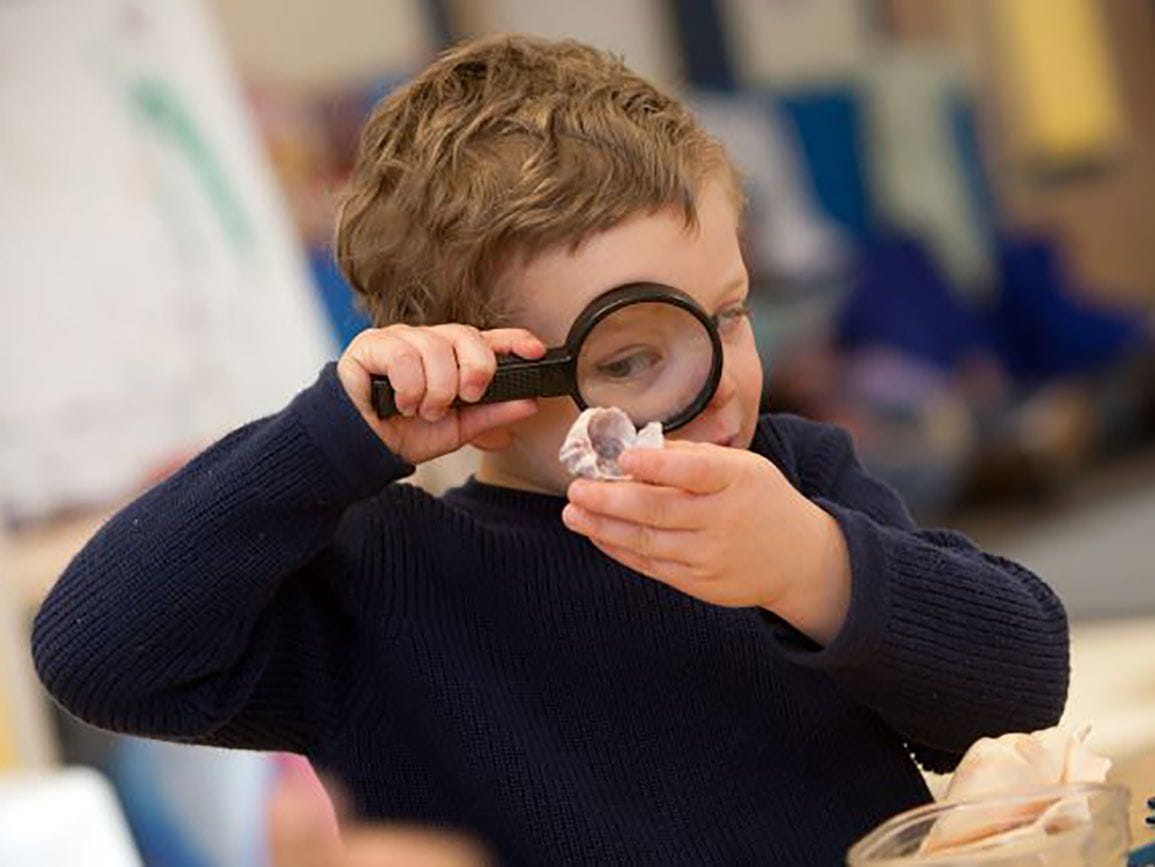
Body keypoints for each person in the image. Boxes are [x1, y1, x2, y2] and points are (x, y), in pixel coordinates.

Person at [32, 35, 1068, 865]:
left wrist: (815, 568)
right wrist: (328, 439)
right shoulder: (383, 579)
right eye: (631, 361)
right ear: (485, 375)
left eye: (733, 313)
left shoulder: (794, 486)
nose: (721, 385)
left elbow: (1022, 686)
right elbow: (97, 654)